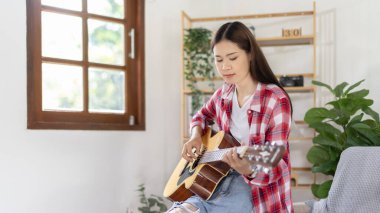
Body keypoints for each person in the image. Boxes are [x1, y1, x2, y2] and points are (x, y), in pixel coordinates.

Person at [167, 21, 293, 213]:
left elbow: (278, 165)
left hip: (253, 193)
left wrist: (249, 170)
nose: (225, 66)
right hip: (216, 182)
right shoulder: (223, 95)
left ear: (250, 54)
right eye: (218, 59)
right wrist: (195, 136)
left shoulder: (275, 99)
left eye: (232, 58)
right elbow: (200, 116)